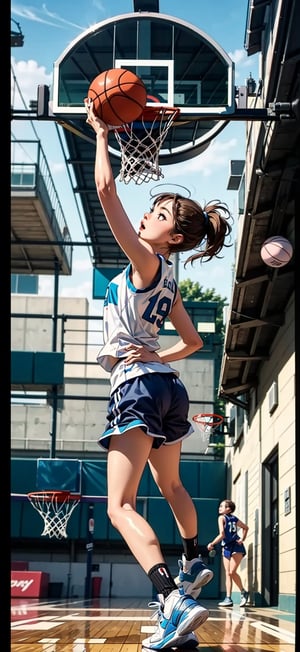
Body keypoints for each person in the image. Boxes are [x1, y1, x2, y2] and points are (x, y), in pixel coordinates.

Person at [84, 97, 232, 649]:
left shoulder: (147, 263)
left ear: (171, 237)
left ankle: (173, 598)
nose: (147, 214)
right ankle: (193, 560)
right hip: (168, 389)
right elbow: (193, 342)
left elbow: (105, 193)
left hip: (139, 388)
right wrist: (157, 357)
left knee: (120, 506)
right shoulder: (168, 275)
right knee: (169, 484)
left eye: (160, 214)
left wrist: (101, 131)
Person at [207, 499, 249, 608]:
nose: (219, 508)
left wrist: (212, 543)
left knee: (231, 571)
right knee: (227, 573)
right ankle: (228, 598)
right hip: (226, 547)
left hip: (236, 546)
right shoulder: (226, 518)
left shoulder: (223, 518)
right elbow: (245, 528)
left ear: (228, 509)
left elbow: (223, 534)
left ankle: (243, 592)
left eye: (222, 506)